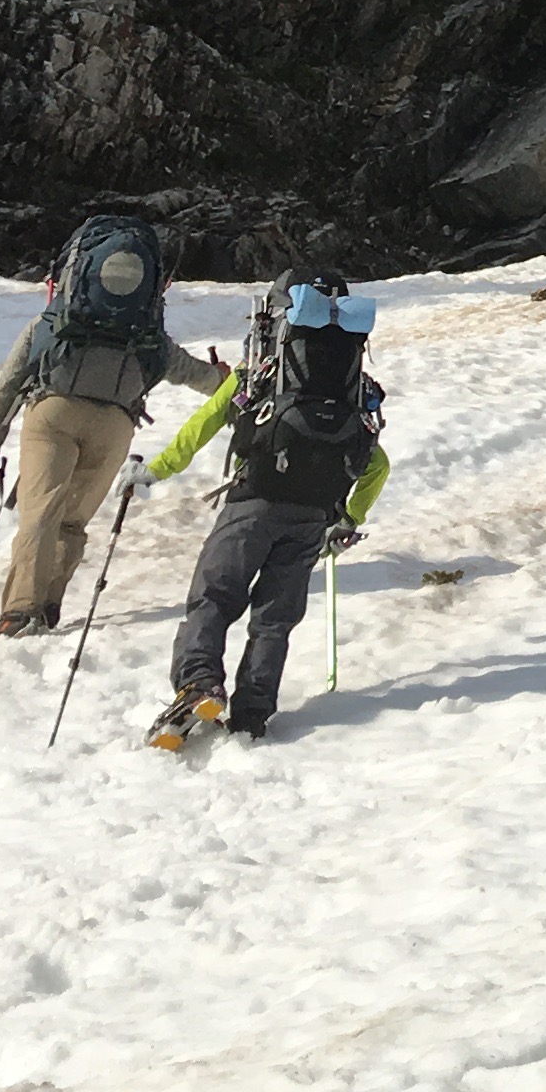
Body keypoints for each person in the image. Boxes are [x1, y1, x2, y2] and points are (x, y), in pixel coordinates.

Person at [140, 272, 389, 743]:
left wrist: (156, 470)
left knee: (215, 595)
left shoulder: (258, 371)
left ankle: (198, 683)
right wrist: (347, 519)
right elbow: (378, 465)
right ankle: (253, 712)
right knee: (275, 618)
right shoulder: (354, 386)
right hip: (314, 514)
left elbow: (203, 423)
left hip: (253, 500)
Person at [0, 213, 220, 638]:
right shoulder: (147, 334)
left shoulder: (51, 325)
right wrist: (231, 379)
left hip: (54, 413)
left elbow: (6, 391)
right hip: (115, 425)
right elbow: (197, 375)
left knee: (40, 514)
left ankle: (20, 611)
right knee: (71, 520)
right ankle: (48, 605)